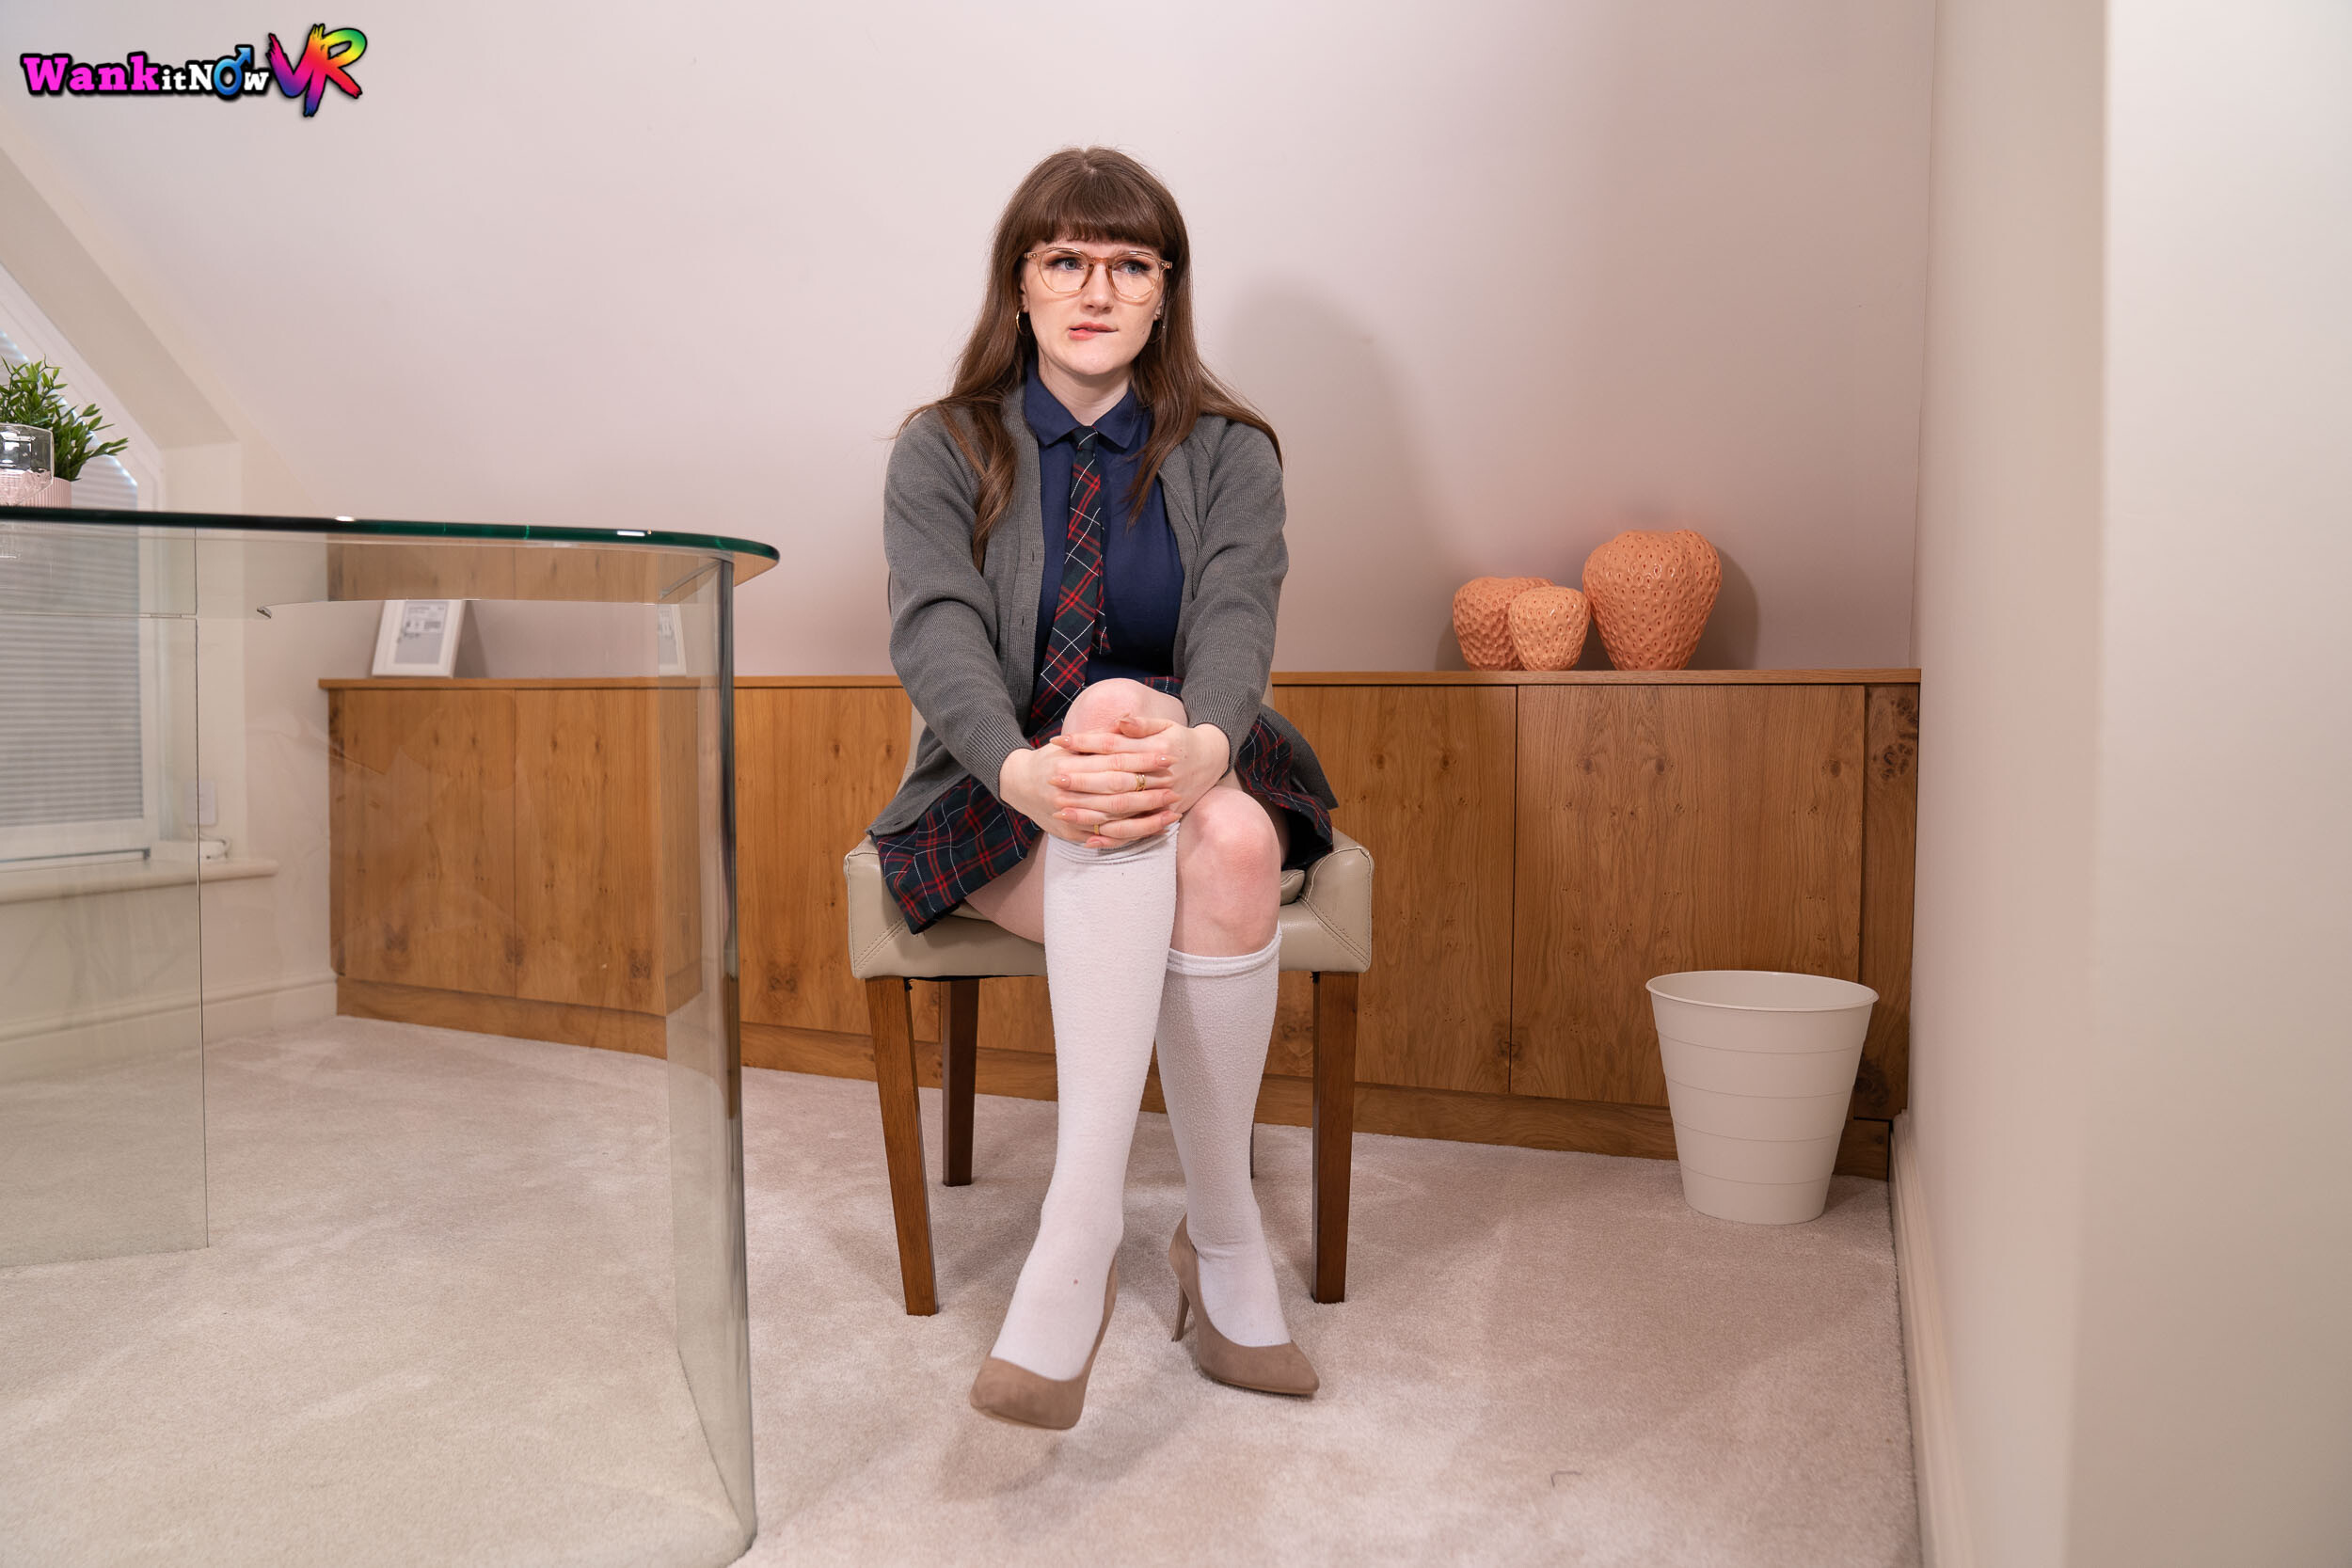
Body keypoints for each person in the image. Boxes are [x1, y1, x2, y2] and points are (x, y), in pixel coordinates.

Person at [868, 147, 1341, 1430]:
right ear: (1019, 282)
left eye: (1130, 264)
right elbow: (936, 632)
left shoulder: (1232, 451)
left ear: (1165, 291)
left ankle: (1090, 1245)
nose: (1096, 289)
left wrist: (1208, 744)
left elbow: (1238, 614)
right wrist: (1023, 767)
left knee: (1209, 812)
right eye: (1065, 259)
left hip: (1196, 749)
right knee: (1171, 795)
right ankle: (1210, 1249)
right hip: (998, 779)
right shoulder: (943, 446)